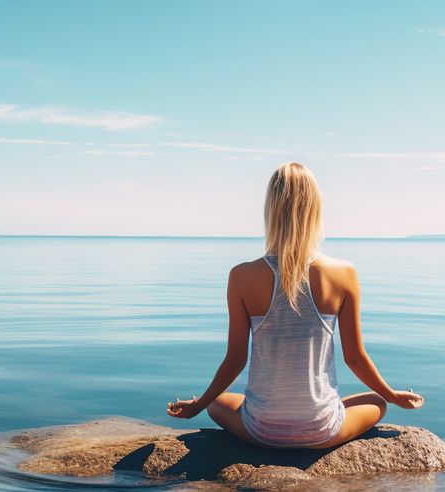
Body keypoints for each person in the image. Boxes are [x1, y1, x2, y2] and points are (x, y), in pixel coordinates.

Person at [166, 162, 424, 449]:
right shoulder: (344, 273)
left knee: (216, 402)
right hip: (322, 432)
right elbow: (355, 359)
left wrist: (199, 405)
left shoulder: (241, 276)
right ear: (315, 209)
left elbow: (235, 360)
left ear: (271, 209)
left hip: (261, 431)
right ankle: (324, 412)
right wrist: (391, 395)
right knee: (376, 401)